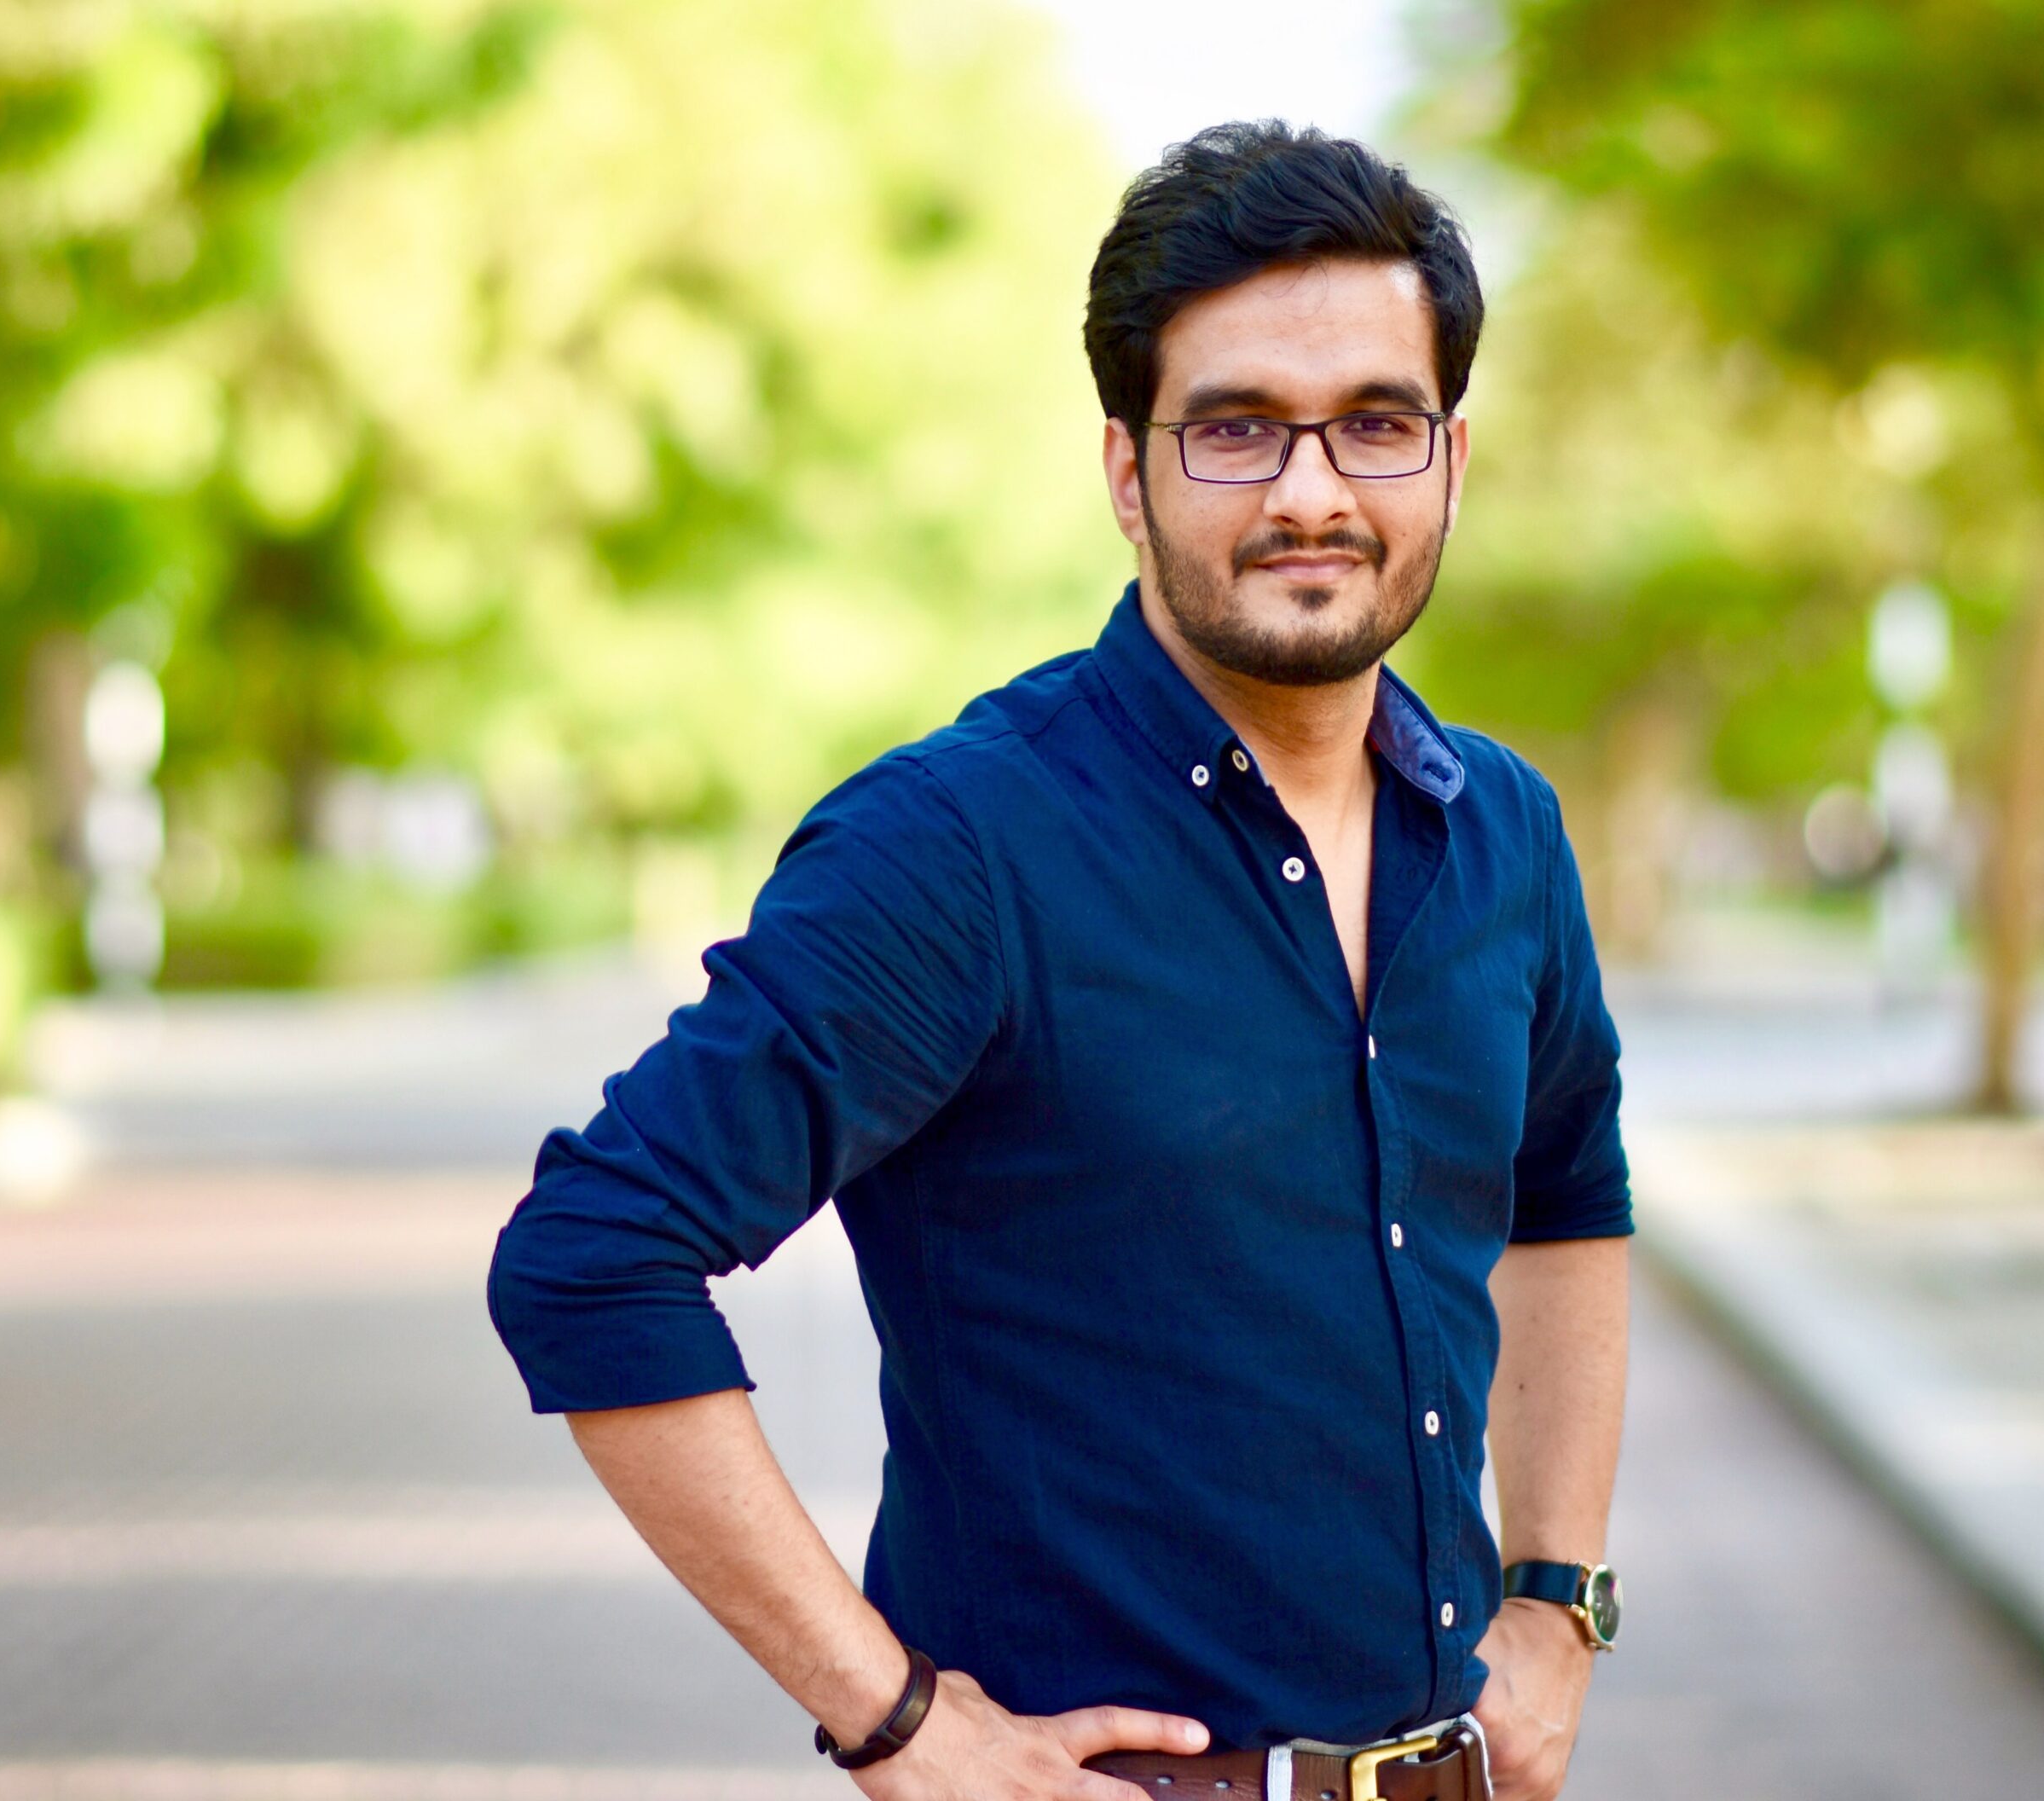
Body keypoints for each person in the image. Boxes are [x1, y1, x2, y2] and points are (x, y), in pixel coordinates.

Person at [489, 121, 1630, 1801]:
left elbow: (1564, 1196)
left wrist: (1555, 1599)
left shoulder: (1504, 834)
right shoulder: (958, 846)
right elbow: (592, 1255)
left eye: (1376, 424)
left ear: (1448, 463)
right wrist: (893, 1719)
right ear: (1126, 472)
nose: (1311, 492)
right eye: (1235, 428)